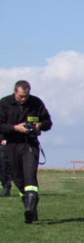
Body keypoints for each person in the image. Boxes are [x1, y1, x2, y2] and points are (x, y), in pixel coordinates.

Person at [0, 80, 53, 222]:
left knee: (30, 175)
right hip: (12, 144)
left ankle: (29, 208)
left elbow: (48, 123)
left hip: (30, 144)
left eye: (26, 96)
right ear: (15, 92)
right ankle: (31, 206)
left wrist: (40, 125)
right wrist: (15, 128)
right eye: (20, 96)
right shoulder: (4, 103)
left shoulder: (36, 103)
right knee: (18, 179)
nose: (23, 99)